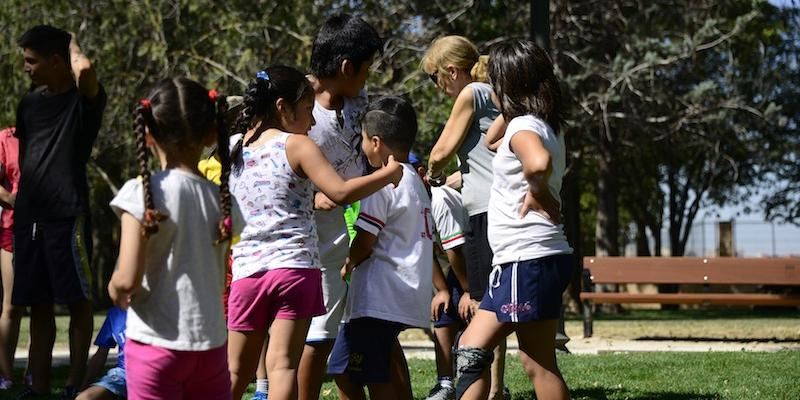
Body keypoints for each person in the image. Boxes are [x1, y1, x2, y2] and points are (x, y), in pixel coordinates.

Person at [225, 65, 402, 400]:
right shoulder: (297, 145)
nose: (311, 122)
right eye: (308, 111)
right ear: (282, 107)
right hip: (295, 271)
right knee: (283, 367)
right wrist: (389, 174)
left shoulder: (232, 145)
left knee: (235, 371)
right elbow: (341, 192)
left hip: (247, 273)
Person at [107, 77, 243, 400]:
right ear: (212, 133)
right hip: (210, 347)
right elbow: (220, 277)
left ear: (147, 133)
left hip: (155, 345)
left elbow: (126, 280)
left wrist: (113, 289)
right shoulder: (224, 201)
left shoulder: (142, 193)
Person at [454, 39, 573, 400]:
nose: (490, 89)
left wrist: (537, 189)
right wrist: (510, 106)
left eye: (495, 82)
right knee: (479, 351)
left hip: (527, 258)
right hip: (528, 260)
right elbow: (491, 142)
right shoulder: (541, 123)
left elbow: (537, 163)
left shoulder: (523, 128)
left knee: (520, 361)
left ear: (509, 83)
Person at [13, 25, 106, 399]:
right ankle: (36, 386)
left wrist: (71, 42)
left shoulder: (84, 101)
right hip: (29, 217)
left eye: (32, 61)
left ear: (56, 60)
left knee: (78, 301)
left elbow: (84, 71)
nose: (26, 68)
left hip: (68, 215)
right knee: (38, 303)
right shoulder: (30, 103)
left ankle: (74, 383)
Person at [298, 14, 384, 400]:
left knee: (331, 331)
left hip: (340, 232)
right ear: (346, 67)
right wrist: (312, 195)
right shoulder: (296, 108)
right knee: (309, 335)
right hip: (304, 237)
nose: (367, 79)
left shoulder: (357, 101)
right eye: (365, 69)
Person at [421, 35, 508, 400]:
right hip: (500, 207)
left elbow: (442, 150)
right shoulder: (491, 92)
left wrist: (429, 174)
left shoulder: (470, 91)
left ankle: (476, 390)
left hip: (483, 215)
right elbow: (480, 166)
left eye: (434, 78)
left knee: (481, 307)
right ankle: (496, 390)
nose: (437, 87)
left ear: (451, 70)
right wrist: (452, 178)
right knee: (498, 306)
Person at [328, 96, 432, 400]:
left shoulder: (381, 183)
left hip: (378, 297)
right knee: (371, 366)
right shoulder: (414, 180)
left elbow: (365, 239)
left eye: (361, 139)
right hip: (402, 294)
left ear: (375, 142)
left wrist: (349, 262)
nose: (361, 146)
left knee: (361, 374)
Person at [407, 154, 470, 400]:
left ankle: (480, 380)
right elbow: (426, 250)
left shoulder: (440, 200)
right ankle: (446, 383)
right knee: (444, 310)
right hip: (457, 262)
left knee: (470, 313)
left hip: (471, 257)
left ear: (422, 173)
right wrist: (442, 290)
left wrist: (469, 292)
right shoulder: (411, 203)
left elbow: (455, 251)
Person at [0, 126, 23, 392]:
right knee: (12, 304)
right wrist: (13, 200)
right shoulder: (6, 137)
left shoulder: (50, 132)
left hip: (44, 226)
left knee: (40, 304)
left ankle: (33, 373)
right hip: (11, 228)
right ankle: (6, 374)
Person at [76, 307, 127, 400]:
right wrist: (83, 388)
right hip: (124, 374)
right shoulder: (116, 314)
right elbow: (100, 354)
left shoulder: (158, 312)